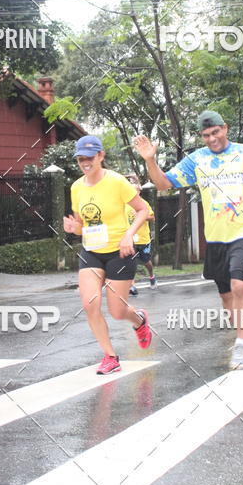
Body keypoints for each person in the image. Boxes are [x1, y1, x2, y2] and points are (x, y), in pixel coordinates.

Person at [133, 110, 243, 368]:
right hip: (216, 237)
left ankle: (242, 342)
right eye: (206, 135)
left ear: (225, 128)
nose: (212, 138)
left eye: (215, 132)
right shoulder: (196, 160)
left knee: (239, 285)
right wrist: (150, 159)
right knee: (226, 295)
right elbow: (163, 184)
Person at [63, 135, 153, 375]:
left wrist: (129, 235)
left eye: (89, 157)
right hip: (91, 251)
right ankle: (110, 357)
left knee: (117, 311)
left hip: (120, 251)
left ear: (100, 156)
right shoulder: (76, 187)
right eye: (80, 159)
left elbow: (142, 210)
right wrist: (74, 228)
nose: (85, 163)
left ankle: (139, 320)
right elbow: (82, 225)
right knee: (89, 303)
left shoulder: (117, 182)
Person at [124, 172, 157, 295]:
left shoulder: (144, 204)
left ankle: (152, 276)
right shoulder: (125, 204)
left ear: (139, 192)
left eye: (135, 191)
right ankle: (132, 286)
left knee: (146, 261)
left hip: (143, 238)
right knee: (130, 262)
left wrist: (141, 215)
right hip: (130, 239)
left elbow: (152, 217)